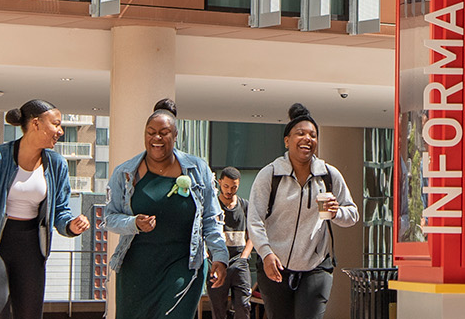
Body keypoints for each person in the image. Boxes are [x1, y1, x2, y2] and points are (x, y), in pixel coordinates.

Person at [0, 99, 93, 319]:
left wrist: (71, 226)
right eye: (56, 124)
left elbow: (60, 211)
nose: (60, 131)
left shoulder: (56, 164)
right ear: (36, 124)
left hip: (31, 250)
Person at [104, 99, 228, 319]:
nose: (156, 138)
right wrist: (133, 223)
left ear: (175, 135)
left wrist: (219, 255)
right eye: (151, 132)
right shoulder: (125, 173)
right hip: (137, 270)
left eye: (164, 132)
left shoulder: (197, 169)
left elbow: (211, 217)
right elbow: (110, 217)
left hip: (182, 265)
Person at [248, 104, 358, 319]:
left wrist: (337, 213)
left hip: (316, 266)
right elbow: (254, 220)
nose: (308, 138)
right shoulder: (270, 175)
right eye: (301, 133)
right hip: (275, 266)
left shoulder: (328, 175)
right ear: (287, 140)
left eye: (313, 135)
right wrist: (266, 253)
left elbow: (352, 215)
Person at [206, 167, 253, 319]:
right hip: (217, 262)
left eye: (234, 187)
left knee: (244, 306)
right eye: (226, 186)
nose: (229, 190)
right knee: (218, 309)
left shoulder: (245, 206)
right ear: (219, 183)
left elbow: (254, 234)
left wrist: (244, 257)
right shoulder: (212, 208)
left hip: (240, 261)